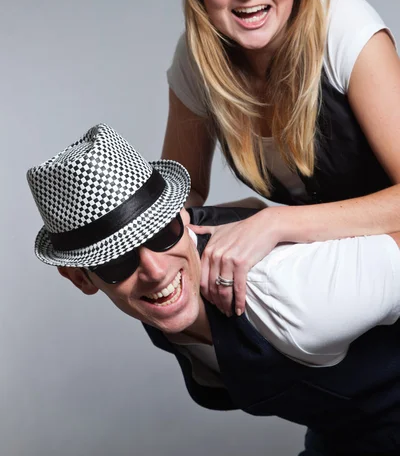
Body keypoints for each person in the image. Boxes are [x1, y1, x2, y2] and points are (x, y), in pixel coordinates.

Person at [27, 123, 400, 455]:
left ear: (183, 219)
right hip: (343, 435)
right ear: (79, 278)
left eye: (160, 233)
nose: (155, 272)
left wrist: (280, 223)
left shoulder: (284, 292)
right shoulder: (172, 276)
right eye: (117, 260)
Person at [161, 0, 400, 317]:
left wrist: (274, 222)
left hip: (385, 248)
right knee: (183, 255)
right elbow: (182, 195)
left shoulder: (342, 25)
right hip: (323, 255)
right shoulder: (196, 60)